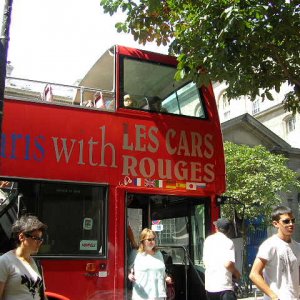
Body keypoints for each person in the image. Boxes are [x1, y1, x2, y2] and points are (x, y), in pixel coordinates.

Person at [249, 205, 300, 300]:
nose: (291, 224)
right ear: (276, 224)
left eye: (293, 220)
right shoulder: (269, 245)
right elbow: (254, 274)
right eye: (286, 221)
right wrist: (273, 296)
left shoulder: (298, 247)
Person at [0, 215, 48, 300]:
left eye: (40, 239)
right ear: (21, 237)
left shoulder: (36, 264)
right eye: (36, 238)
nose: (39, 242)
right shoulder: (4, 261)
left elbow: (42, 295)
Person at [128, 228, 172, 300]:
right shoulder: (136, 254)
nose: (152, 241)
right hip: (142, 295)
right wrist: (129, 275)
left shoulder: (159, 253)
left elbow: (162, 271)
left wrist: (166, 277)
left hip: (159, 295)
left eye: (153, 239)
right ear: (142, 241)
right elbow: (128, 270)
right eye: (149, 239)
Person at [203, 217, 241, 300]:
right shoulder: (228, 242)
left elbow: (205, 262)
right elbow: (228, 264)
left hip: (210, 286)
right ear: (228, 230)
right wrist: (237, 274)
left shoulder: (208, 240)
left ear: (216, 228)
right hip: (224, 287)